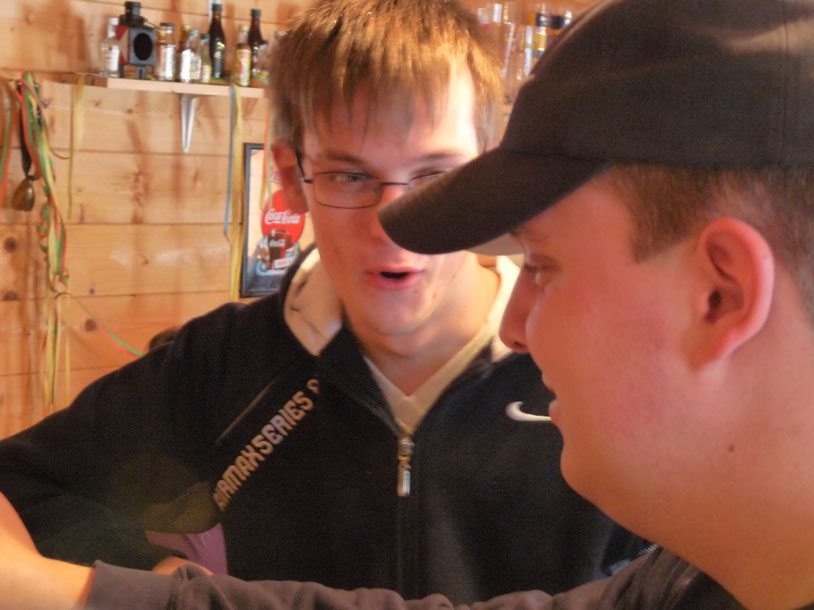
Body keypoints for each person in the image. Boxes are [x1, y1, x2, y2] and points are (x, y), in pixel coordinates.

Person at [3, 0, 813, 607]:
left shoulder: (638, 446)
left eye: (434, 178)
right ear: (291, 175)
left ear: (722, 295)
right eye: (350, 175)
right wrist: (140, 576)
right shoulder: (223, 362)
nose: (391, 224)